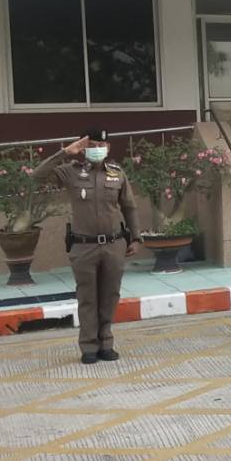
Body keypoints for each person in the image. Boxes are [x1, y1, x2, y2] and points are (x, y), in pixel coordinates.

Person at [33, 128, 140, 365]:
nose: (97, 148)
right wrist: (66, 152)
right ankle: (89, 346)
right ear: (84, 148)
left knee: (110, 295)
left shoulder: (117, 173)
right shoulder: (71, 172)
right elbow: (37, 176)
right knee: (87, 297)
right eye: (91, 145)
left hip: (114, 245)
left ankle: (106, 342)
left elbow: (129, 207)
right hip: (83, 246)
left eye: (101, 144)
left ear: (108, 147)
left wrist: (135, 237)